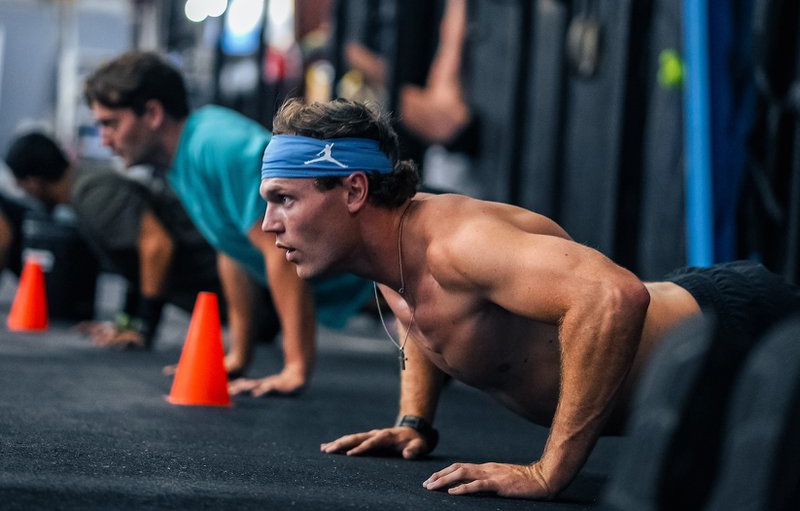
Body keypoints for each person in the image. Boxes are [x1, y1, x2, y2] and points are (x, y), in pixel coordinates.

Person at [258, 97, 800, 500]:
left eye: (284, 200)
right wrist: (415, 421)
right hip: (693, 382)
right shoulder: (385, 246)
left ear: (354, 191)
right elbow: (417, 310)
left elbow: (614, 296)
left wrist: (548, 473)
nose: (268, 224)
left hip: (740, 332)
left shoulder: (458, 244)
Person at [82, 51, 371, 395]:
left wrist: (295, 368)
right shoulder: (181, 162)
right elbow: (233, 251)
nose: (104, 139)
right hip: (367, 288)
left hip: (389, 273)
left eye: (111, 123)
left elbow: (277, 250)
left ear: (153, 114)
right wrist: (238, 355)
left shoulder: (213, 145)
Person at [4, 131, 253, 350]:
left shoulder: (91, 194)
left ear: (32, 183)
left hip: (249, 301)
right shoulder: (86, 189)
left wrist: (144, 328)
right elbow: (136, 257)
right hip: (235, 305)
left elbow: (156, 246)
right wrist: (125, 323)